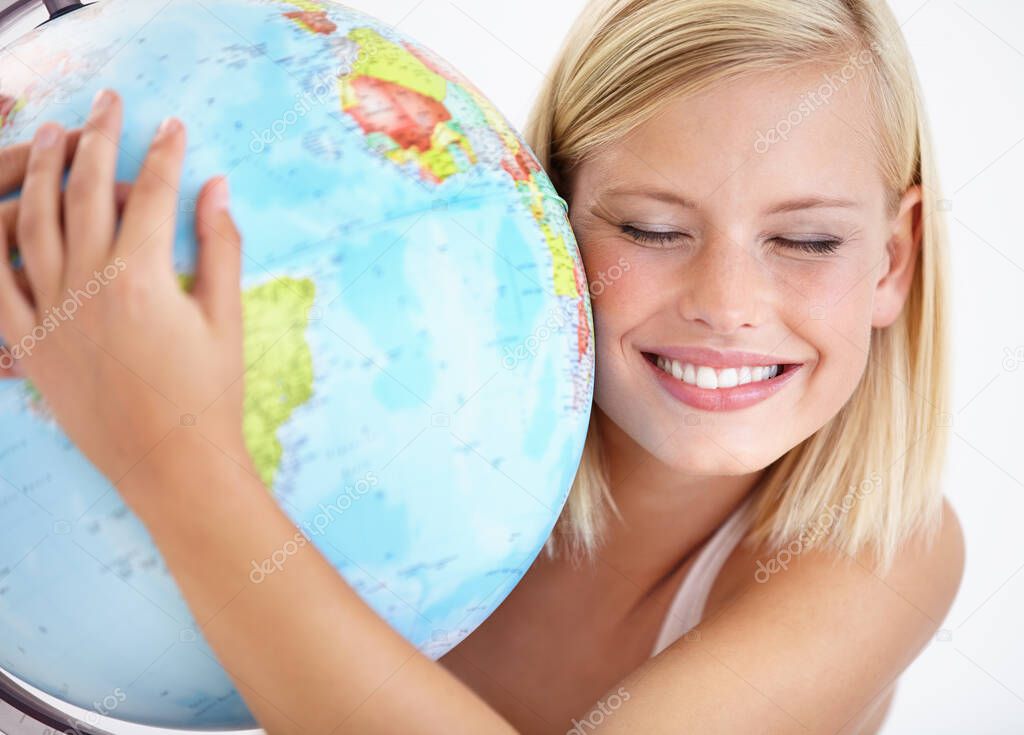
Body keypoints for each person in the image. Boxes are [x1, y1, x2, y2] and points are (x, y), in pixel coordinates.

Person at [0, 0, 964, 732]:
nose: (728, 302)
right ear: (544, 208)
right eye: (651, 228)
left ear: (894, 258)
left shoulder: (884, 554)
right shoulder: (406, 392)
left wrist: (166, 455)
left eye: (804, 241)